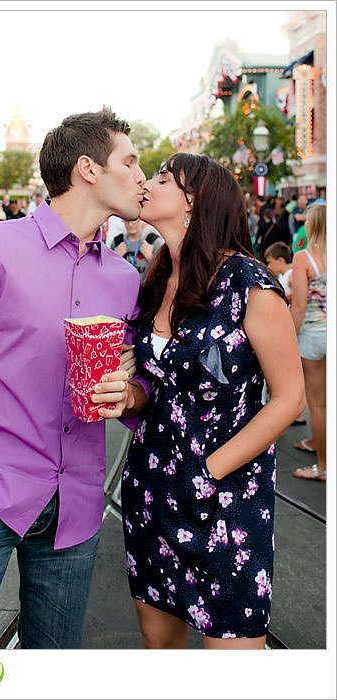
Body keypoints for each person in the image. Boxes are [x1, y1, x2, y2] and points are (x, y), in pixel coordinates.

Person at [0, 106, 145, 649]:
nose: (140, 177)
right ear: (88, 169)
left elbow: (138, 390)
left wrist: (129, 394)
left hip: (78, 498)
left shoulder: (125, 278)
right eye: (129, 162)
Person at [121, 153, 304, 649]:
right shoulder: (157, 275)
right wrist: (128, 398)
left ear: (193, 200)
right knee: (160, 648)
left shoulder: (250, 284)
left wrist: (213, 468)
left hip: (225, 502)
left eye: (160, 178)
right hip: (151, 491)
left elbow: (289, 398)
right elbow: (158, 387)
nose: (145, 184)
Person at [289, 203, 326, 481]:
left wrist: (288, 338)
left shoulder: (304, 257)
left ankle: (323, 467)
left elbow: (299, 305)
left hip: (313, 337)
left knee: (319, 405)